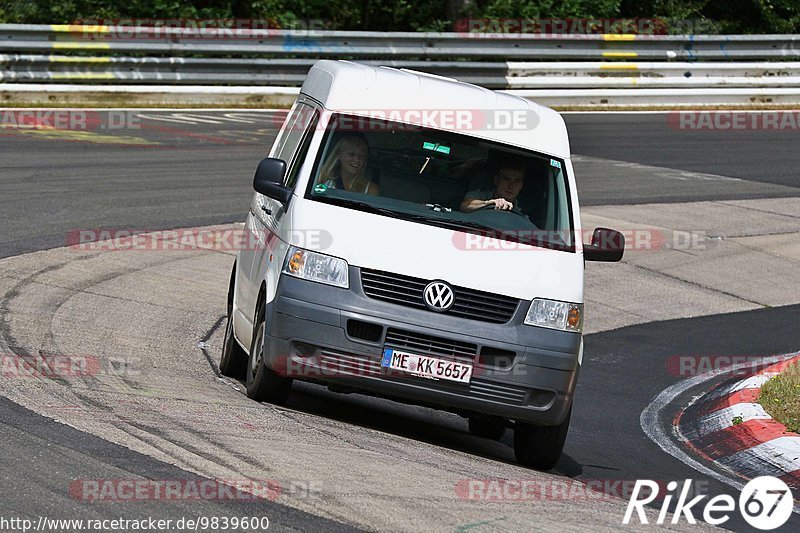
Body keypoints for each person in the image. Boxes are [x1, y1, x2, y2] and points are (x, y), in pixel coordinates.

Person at [460, 156, 526, 216]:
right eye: (506, 179)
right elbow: (465, 206)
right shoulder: (478, 196)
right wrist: (489, 203)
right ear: (496, 180)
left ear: (521, 186)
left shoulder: (522, 214)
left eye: (517, 181)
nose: (511, 186)